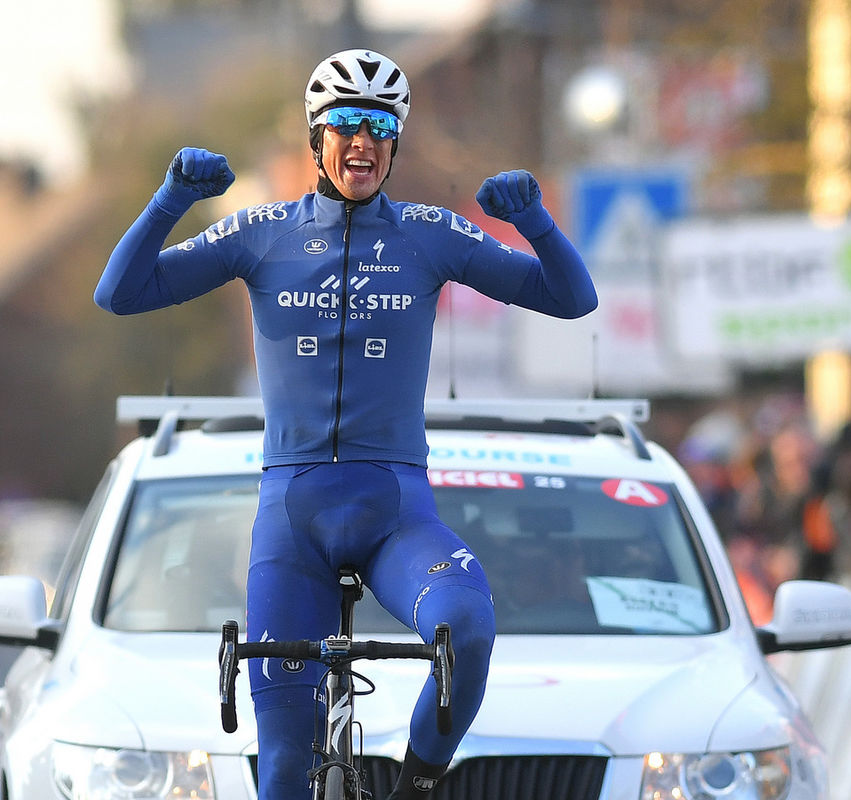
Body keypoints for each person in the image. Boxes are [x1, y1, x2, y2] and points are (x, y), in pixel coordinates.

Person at [94, 49, 597, 800]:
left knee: (470, 630)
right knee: (287, 772)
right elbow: (120, 293)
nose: (363, 141)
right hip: (292, 517)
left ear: (395, 143)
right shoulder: (261, 232)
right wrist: (169, 200)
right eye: (346, 124)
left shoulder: (431, 234)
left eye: (380, 126)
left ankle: (418, 784)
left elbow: (571, 298)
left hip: (394, 511)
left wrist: (536, 223)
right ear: (316, 139)